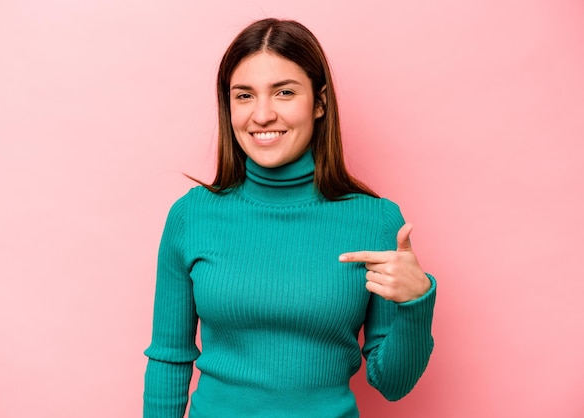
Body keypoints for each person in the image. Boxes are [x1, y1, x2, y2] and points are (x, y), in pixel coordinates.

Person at [143, 17, 436, 418]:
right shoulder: (190, 217)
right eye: (244, 96)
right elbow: (168, 359)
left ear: (319, 102)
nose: (261, 115)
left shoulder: (377, 221)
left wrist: (416, 302)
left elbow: (392, 384)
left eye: (283, 92)